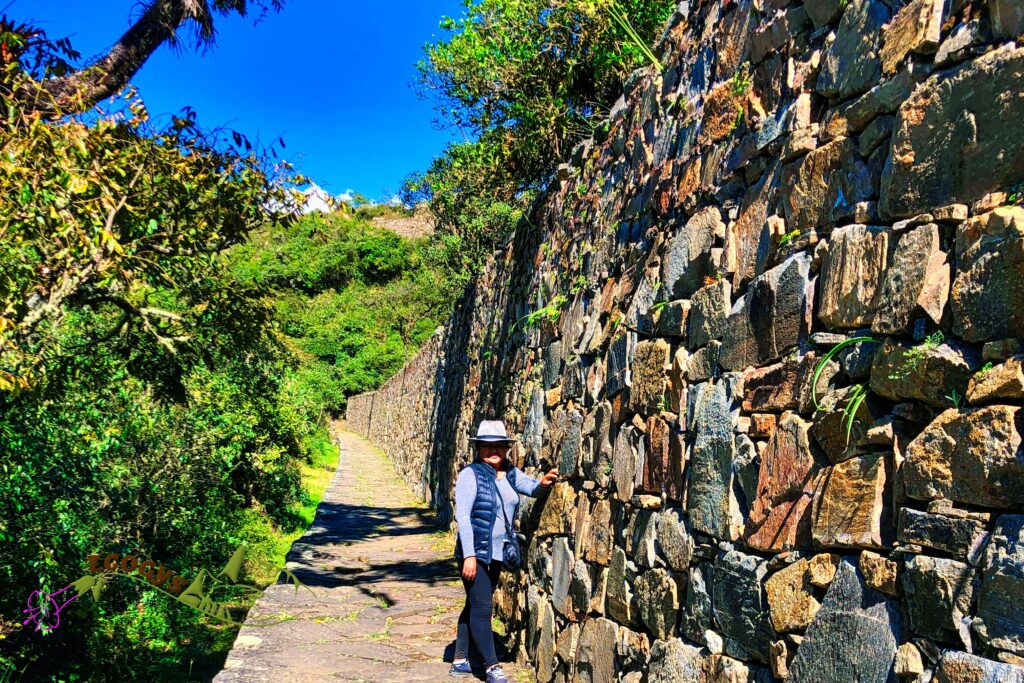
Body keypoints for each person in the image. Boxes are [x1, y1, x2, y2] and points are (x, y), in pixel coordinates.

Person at [450, 420, 558, 682]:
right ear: (479, 448)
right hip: (474, 555)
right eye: (487, 446)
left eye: (498, 445)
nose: (493, 450)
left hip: (498, 553)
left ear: (506, 448)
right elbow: (463, 517)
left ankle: (461, 659)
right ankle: (491, 666)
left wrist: (543, 484)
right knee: (483, 608)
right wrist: (470, 556)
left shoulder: (510, 472)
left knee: (474, 603)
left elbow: (530, 488)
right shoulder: (470, 475)